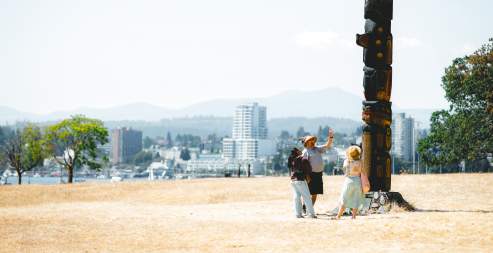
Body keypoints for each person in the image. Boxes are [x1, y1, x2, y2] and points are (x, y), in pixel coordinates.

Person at [301, 129, 334, 209]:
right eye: (310, 140)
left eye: (313, 140)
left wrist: (331, 137)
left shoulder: (317, 149)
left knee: (315, 193)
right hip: (310, 175)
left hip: (318, 174)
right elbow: (303, 165)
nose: (313, 142)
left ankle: (310, 208)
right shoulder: (305, 152)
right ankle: (305, 206)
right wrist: (307, 176)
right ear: (306, 143)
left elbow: (327, 145)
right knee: (307, 193)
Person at [336, 145, 365, 219]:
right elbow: (362, 171)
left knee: (344, 199)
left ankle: (338, 216)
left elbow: (345, 171)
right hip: (357, 181)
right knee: (356, 199)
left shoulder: (347, 161)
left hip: (349, 181)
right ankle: (353, 216)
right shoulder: (360, 162)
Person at [288, 148, 316, 218]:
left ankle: (298, 214)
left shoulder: (292, 159)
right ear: (297, 152)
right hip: (300, 180)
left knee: (296, 197)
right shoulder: (303, 159)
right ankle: (311, 214)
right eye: (299, 150)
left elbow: (291, 170)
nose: (301, 151)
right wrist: (308, 177)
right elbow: (308, 169)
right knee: (307, 197)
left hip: (293, 180)